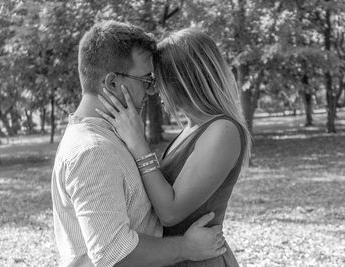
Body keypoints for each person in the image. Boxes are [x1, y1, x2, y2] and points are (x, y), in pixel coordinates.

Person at [51, 21, 227, 267]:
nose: (153, 91)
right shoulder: (93, 151)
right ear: (112, 83)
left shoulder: (111, 138)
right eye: (146, 80)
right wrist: (186, 247)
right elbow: (113, 253)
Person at [97, 28, 251, 266]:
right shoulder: (192, 129)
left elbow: (170, 212)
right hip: (180, 256)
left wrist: (138, 143)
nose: (153, 90)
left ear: (181, 81)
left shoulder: (223, 131)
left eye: (155, 80)